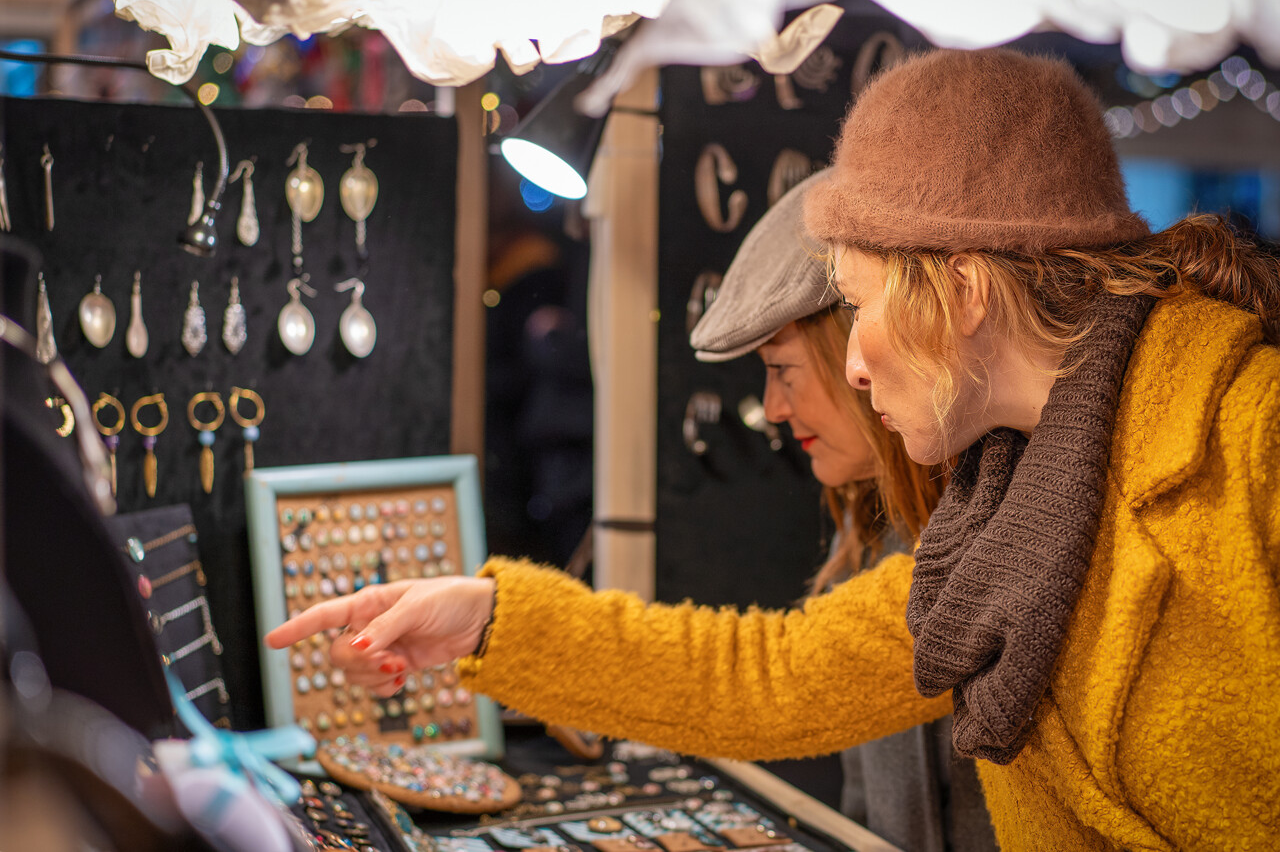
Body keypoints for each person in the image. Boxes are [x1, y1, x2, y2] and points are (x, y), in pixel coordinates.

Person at [267, 48, 1280, 851]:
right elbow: (772, 675)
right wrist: (488, 620)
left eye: (854, 307)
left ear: (964, 290)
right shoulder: (998, 511)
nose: (851, 364)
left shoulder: (1251, 435)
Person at [690, 171, 992, 851]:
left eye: (783, 370)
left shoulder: (1004, 543)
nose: (771, 409)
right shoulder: (871, 536)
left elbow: (764, 683)